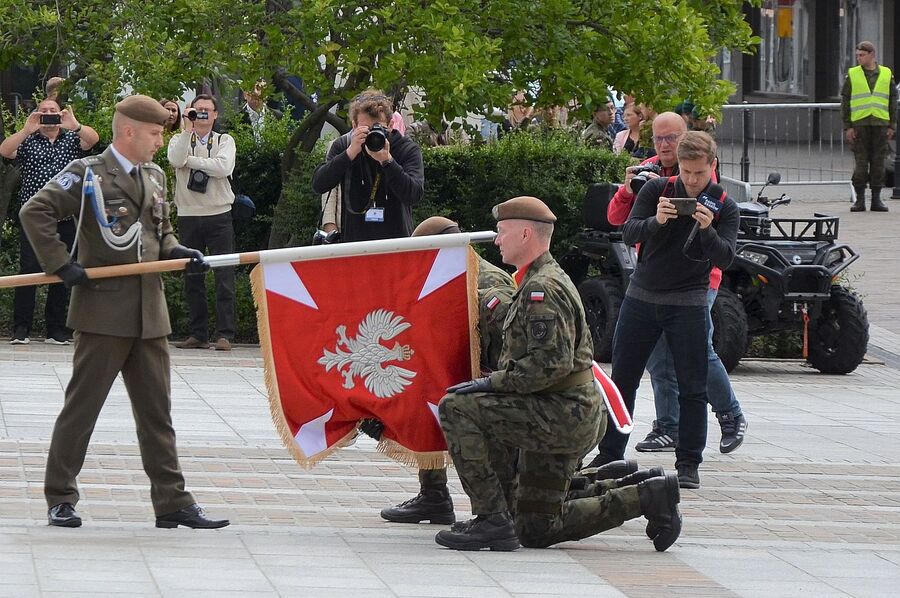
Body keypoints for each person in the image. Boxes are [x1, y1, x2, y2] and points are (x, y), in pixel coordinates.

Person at [18, 94, 229, 530]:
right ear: (128, 131)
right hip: (101, 311)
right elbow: (34, 210)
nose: (159, 141)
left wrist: (178, 251)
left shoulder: (153, 175)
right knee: (82, 409)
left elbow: (161, 231)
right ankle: (60, 496)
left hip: (149, 313)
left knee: (157, 414)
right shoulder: (88, 172)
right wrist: (61, 264)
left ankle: (172, 502)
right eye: (154, 133)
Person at [434, 196, 682, 552]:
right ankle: (646, 494)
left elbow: (547, 366)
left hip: (561, 414)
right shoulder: (539, 279)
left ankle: (491, 518)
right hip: (561, 409)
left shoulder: (541, 289)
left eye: (502, 233)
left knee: (457, 406)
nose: (498, 240)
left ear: (524, 234)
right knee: (536, 528)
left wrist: (488, 384)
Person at [599, 112, 747, 460]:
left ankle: (716, 428)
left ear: (711, 165)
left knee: (695, 371)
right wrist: (652, 216)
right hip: (645, 290)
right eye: (686, 172)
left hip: (695, 290)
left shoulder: (722, 202)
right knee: (639, 371)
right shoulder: (653, 181)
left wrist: (708, 230)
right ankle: (638, 440)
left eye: (699, 173)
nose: (692, 181)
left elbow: (725, 257)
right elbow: (623, 225)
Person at [379, 216, 515, 526]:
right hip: (462, 372)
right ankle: (434, 496)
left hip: (496, 381)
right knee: (423, 391)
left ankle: (494, 511)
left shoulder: (487, 283)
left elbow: (507, 350)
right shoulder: (445, 277)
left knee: (454, 405)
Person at [0, 98, 100, 345]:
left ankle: (56, 329)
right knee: (28, 271)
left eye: (52, 111)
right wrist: (26, 129)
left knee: (64, 269)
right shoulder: (29, 141)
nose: (48, 115)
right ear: (36, 114)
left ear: (61, 114)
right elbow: (5, 150)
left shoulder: (71, 140)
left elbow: (93, 140)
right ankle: (20, 328)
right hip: (34, 218)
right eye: (43, 111)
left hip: (66, 216)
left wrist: (74, 125)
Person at [167, 94, 237, 351]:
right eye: (197, 111)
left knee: (224, 274)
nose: (202, 115)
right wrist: (187, 128)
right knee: (192, 277)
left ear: (216, 114)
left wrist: (192, 161)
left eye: (207, 110)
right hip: (188, 214)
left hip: (218, 214)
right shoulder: (179, 139)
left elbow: (224, 167)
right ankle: (198, 333)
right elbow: (175, 159)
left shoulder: (224, 140)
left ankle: (225, 334)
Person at [311, 89, 424, 242]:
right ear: (354, 126)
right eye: (364, 129)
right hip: (354, 245)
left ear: (391, 125)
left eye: (377, 128)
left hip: (396, 244)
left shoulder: (405, 148)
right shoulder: (344, 146)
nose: (371, 135)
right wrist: (349, 154)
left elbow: (414, 194)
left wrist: (388, 161)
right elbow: (319, 184)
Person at [842, 41, 897, 212]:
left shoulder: (886, 73)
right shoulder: (853, 74)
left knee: (878, 163)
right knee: (861, 163)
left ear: (872, 54)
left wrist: (891, 125)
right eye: (857, 55)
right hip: (860, 125)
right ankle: (859, 200)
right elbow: (845, 101)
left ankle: (876, 199)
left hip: (880, 124)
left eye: (862, 55)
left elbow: (892, 101)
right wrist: (848, 127)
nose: (859, 58)